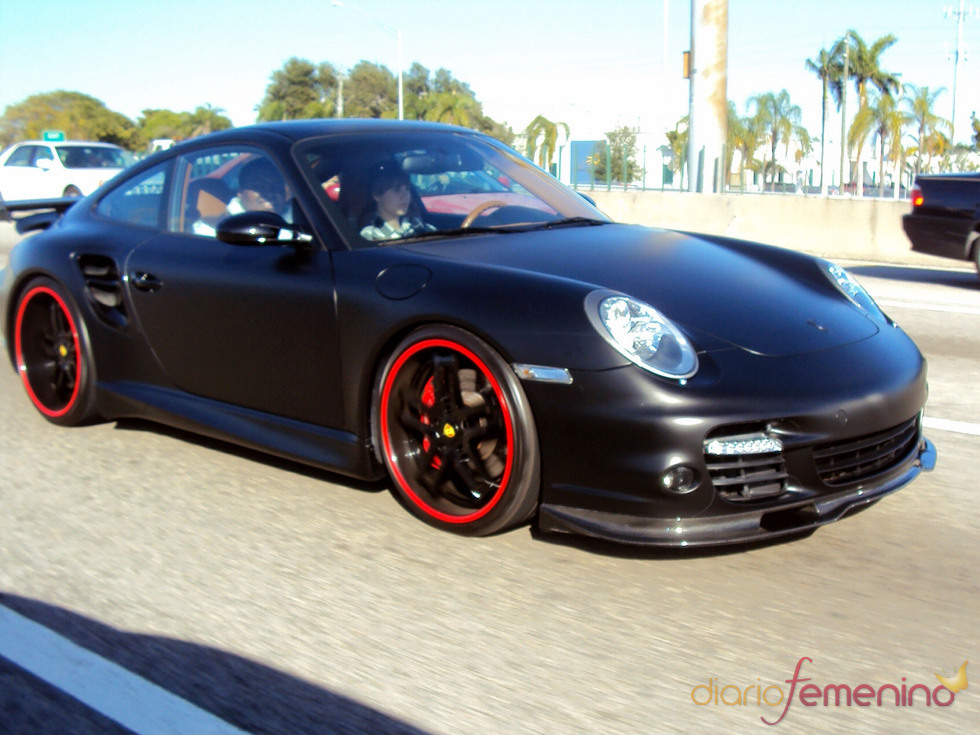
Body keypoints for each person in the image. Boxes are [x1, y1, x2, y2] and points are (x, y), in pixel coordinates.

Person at [192, 157, 288, 237]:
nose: (269, 193)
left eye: (276, 185)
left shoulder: (299, 218)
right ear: (240, 193)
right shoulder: (213, 231)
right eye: (259, 186)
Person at [359, 162, 434, 241]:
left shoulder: (419, 225)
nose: (405, 196)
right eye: (396, 190)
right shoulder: (370, 235)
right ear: (377, 195)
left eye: (407, 189)